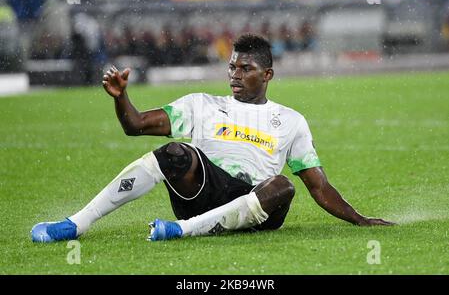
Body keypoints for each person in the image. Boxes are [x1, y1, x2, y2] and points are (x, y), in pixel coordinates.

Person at [31, 34, 393, 243]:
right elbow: (136, 125)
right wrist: (121, 97)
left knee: (283, 185)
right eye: (232, 66)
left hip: (255, 206)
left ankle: (182, 232)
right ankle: (78, 223)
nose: (235, 74)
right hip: (201, 194)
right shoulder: (200, 105)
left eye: (245, 69)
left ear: (267, 74)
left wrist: (358, 219)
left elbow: (319, 186)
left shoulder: (291, 121)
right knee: (175, 151)